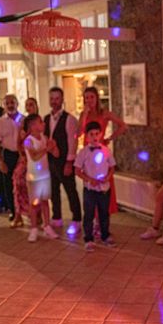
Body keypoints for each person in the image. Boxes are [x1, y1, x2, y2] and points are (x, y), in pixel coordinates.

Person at [77, 86, 127, 220]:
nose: (89, 100)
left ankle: (103, 222)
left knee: (103, 184)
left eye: (92, 97)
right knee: (90, 186)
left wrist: (109, 138)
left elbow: (123, 125)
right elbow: (78, 133)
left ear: (97, 98)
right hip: (87, 151)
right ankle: (93, 221)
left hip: (100, 150)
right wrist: (85, 115)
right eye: (86, 98)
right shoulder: (83, 114)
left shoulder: (104, 113)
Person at [75, 121, 117, 251]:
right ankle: (88, 238)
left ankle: (105, 235)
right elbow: (77, 170)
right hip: (90, 189)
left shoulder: (105, 150)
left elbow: (112, 167)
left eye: (97, 134)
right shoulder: (83, 152)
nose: (94, 137)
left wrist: (108, 177)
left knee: (104, 213)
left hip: (104, 188)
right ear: (87, 136)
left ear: (100, 134)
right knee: (88, 214)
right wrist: (89, 180)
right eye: (91, 134)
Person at [45, 87, 82, 235]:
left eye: (57, 99)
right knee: (54, 190)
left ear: (62, 100)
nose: (54, 102)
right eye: (52, 98)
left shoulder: (70, 119)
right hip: (50, 161)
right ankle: (57, 216)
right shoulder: (46, 119)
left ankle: (77, 219)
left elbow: (73, 142)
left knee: (70, 190)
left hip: (64, 161)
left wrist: (69, 163)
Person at [23, 114, 59, 243]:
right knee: (34, 204)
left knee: (45, 201)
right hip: (33, 177)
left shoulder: (44, 138)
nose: (43, 124)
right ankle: (33, 228)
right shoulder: (28, 140)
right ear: (32, 125)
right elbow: (34, 157)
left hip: (45, 175)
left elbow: (56, 153)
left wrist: (54, 147)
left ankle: (47, 225)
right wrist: (47, 148)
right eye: (40, 122)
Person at [0, 94, 23, 222]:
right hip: (8, 155)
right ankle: (14, 212)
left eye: (12, 102)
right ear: (4, 105)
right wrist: (0, 161)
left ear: (17, 103)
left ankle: (27, 211)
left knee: (24, 184)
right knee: (9, 185)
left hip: (22, 156)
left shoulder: (24, 120)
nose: (10, 105)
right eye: (7, 103)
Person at [11, 97, 39, 228]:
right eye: (27, 105)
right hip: (24, 160)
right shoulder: (22, 123)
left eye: (31, 105)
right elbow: (18, 143)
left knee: (36, 188)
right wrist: (22, 155)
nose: (29, 107)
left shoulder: (40, 122)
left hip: (37, 160)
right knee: (18, 185)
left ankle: (37, 215)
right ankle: (18, 215)